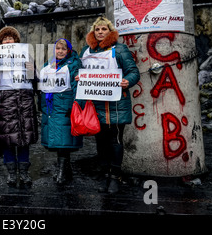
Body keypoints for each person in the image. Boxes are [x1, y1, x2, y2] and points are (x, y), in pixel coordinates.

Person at [75, 17, 140, 194]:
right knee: (101, 141)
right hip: (96, 105)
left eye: (104, 29)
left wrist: (128, 81)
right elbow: (80, 70)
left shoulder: (119, 50)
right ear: (93, 32)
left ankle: (115, 176)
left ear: (110, 32)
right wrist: (79, 77)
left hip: (117, 105)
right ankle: (105, 173)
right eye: (97, 30)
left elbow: (133, 71)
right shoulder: (86, 51)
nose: (100, 32)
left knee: (116, 141)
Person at [0, 26, 39, 187]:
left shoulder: (27, 57)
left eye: (11, 38)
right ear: (1, 42)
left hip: (24, 100)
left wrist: (33, 71)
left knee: (24, 139)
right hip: (5, 101)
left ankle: (24, 173)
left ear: (16, 41)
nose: (8, 41)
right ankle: (11, 174)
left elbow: (36, 82)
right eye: (5, 39)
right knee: (7, 140)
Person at [39, 38, 83, 185]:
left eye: (63, 49)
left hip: (66, 105)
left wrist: (78, 104)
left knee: (63, 137)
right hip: (51, 106)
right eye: (58, 49)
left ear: (68, 50)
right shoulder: (48, 65)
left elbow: (78, 85)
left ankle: (62, 170)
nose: (60, 51)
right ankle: (65, 169)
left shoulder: (74, 64)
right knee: (59, 138)